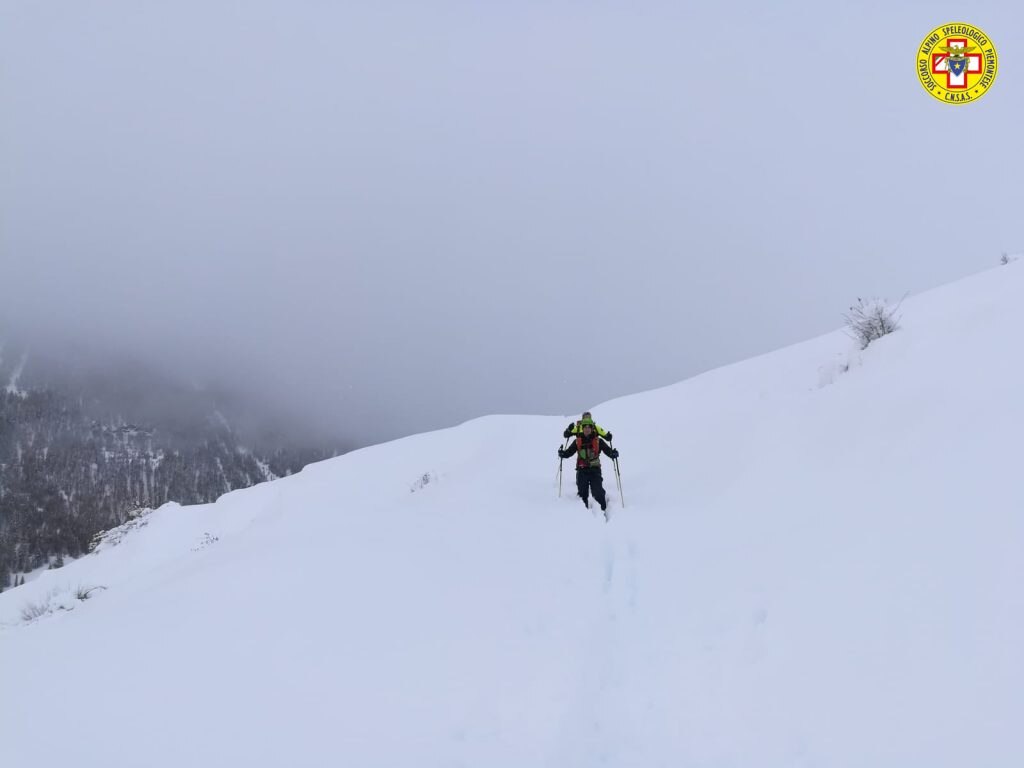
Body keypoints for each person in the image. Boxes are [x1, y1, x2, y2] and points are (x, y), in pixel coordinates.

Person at [558, 418, 619, 511]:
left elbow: (608, 451)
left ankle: (603, 511)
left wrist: (613, 454)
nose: (587, 429)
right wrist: (563, 454)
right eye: (585, 427)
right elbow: (569, 453)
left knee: (598, 493)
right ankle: (584, 515)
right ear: (582, 428)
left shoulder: (598, 441)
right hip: (582, 471)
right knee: (582, 494)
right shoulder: (577, 441)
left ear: (592, 428)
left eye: (589, 427)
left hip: (595, 470)